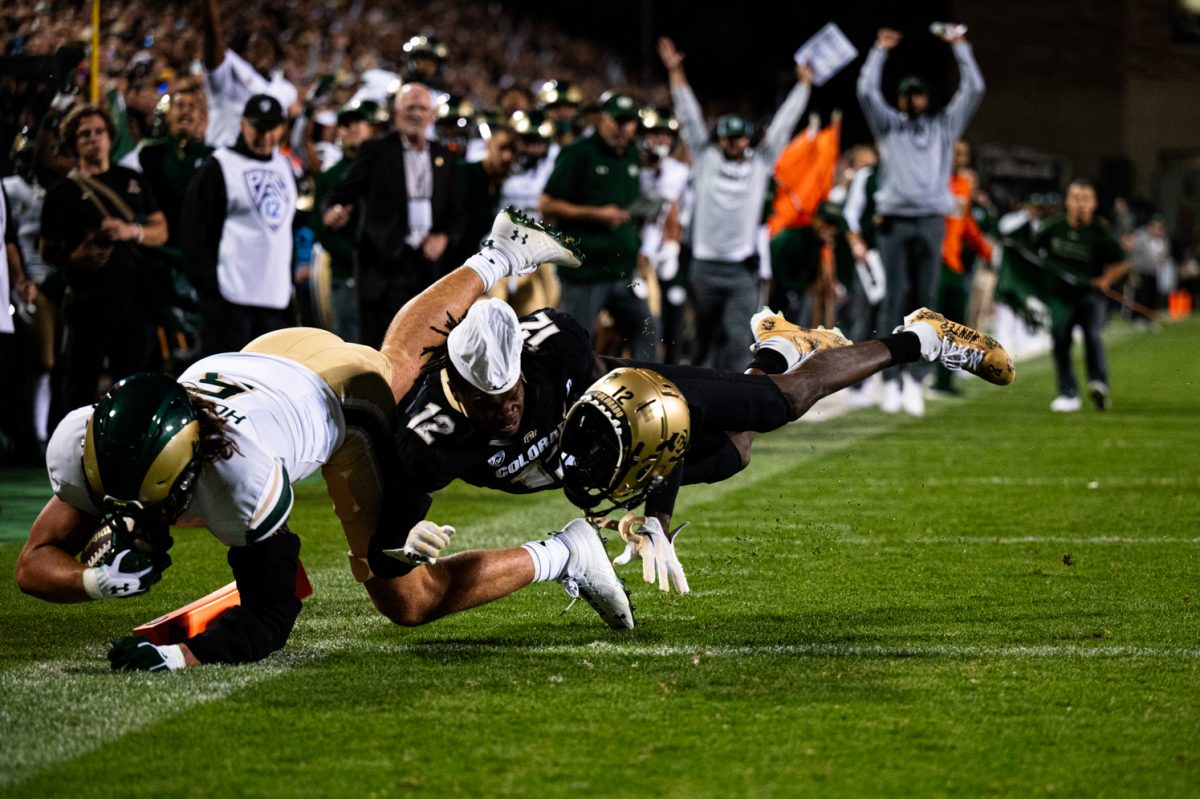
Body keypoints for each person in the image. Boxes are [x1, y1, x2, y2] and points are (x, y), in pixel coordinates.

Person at [14, 209, 609, 671]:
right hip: (263, 360)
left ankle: (565, 553)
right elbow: (33, 564)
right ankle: (498, 254)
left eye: (159, 499)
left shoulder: (239, 476)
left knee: (410, 599)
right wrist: (90, 581)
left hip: (334, 400)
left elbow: (273, 611)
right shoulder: (99, 441)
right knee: (393, 360)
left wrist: (181, 656)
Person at [362, 270, 1015, 620]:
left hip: (642, 404)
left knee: (777, 406)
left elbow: (650, 424)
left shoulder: (555, 348)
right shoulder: (427, 437)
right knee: (735, 452)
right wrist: (398, 537)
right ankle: (779, 346)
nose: (508, 409)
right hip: (584, 461)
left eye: (514, 394)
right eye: (490, 401)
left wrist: (657, 521)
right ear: (457, 385)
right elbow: (387, 552)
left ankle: (921, 339)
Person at [658, 36, 813, 371]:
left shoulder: (761, 162)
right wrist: (676, 72)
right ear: (720, 138)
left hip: (741, 269)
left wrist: (803, 88)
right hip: (704, 266)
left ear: (748, 138)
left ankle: (735, 412)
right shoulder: (704, 157)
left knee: (737, 340)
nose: (733, 143)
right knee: (702, 341)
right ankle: (700, 405)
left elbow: (784, 125)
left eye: (739, 137)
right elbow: (687, 115)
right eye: (728, 138)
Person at [856, 25, 985, 415]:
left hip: (931, 219)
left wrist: (961, 46)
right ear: (900, 99)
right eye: (907, 94)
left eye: (918, 94)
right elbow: (865, 92)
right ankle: (890, 379)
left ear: (927, 98)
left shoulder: (944, 127)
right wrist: (878, 50)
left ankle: (915, 379)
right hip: (895, 221)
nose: (913, 100)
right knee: (893, 300)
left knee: (925, 304)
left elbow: (974, 89)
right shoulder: (888, 125)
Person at [38, 103, 168, 417]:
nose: (94, 139)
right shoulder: (61, 193)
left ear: (110, 137)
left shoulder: (131, 179)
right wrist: (74, 257)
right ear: (73, 143)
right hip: (87, 300)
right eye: (84, 134)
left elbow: (160, 230)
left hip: (133, 299)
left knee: (134, 382)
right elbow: (46, 249)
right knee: (80, 381)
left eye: (99, 132)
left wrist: (131, 231)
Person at [323, 83, 461, 347]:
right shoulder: (375, 151)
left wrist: (444, 236)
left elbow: (458, 213)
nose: (416, 114)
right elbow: (341, 193)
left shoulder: (445, 157)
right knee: (378, 350)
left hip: (426, 271)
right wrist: (334, 210)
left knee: (424, 350)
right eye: (410, 108)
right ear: (397, 114)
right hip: (382, 270)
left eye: (422, 108)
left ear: (432, 116)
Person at [181, 94, 297, 356]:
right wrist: (210, 288)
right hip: (230, 299)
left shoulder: (284, 165)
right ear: (243, 125)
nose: (265, 137)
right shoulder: (220, 165)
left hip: (274, 300)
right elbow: (193, 231)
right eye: (258, 128)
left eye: (272, 129)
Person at [541, 92, 655, 359]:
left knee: (648, 331)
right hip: (585, 271)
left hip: (622, 271)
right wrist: (597, 214)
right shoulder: (578, 153)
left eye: (628, 122)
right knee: (575, 342)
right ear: (603, 119)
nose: (622, 128)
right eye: (617, 120)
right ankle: (571, 398)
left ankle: (645, 393)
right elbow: (548, 204)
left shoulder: (632, 155)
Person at [1033, 179, 1128, 412]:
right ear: (1067, 201)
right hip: (1060, 296)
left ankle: (1098, 383)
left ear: (1094, 204)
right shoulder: (1052, 227)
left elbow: (1121, 263)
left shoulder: (1101, 233)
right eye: (1075, 198)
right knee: (1060, 338)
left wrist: (1105, 280)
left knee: (1092, 336)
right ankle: (1068, 393)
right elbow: (1033, 253)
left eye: (1085, 199)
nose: (1080, 204)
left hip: (1090, 295)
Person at [200, 0, 297, 148]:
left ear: (276, 56)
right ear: (243, 54)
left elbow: (288, 131)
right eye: (255, 47)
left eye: (267, 48)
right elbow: (213, 38)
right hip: (222, 155)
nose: (262, 52)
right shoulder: (227, 76)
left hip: (262, 161)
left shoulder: (286, 89)